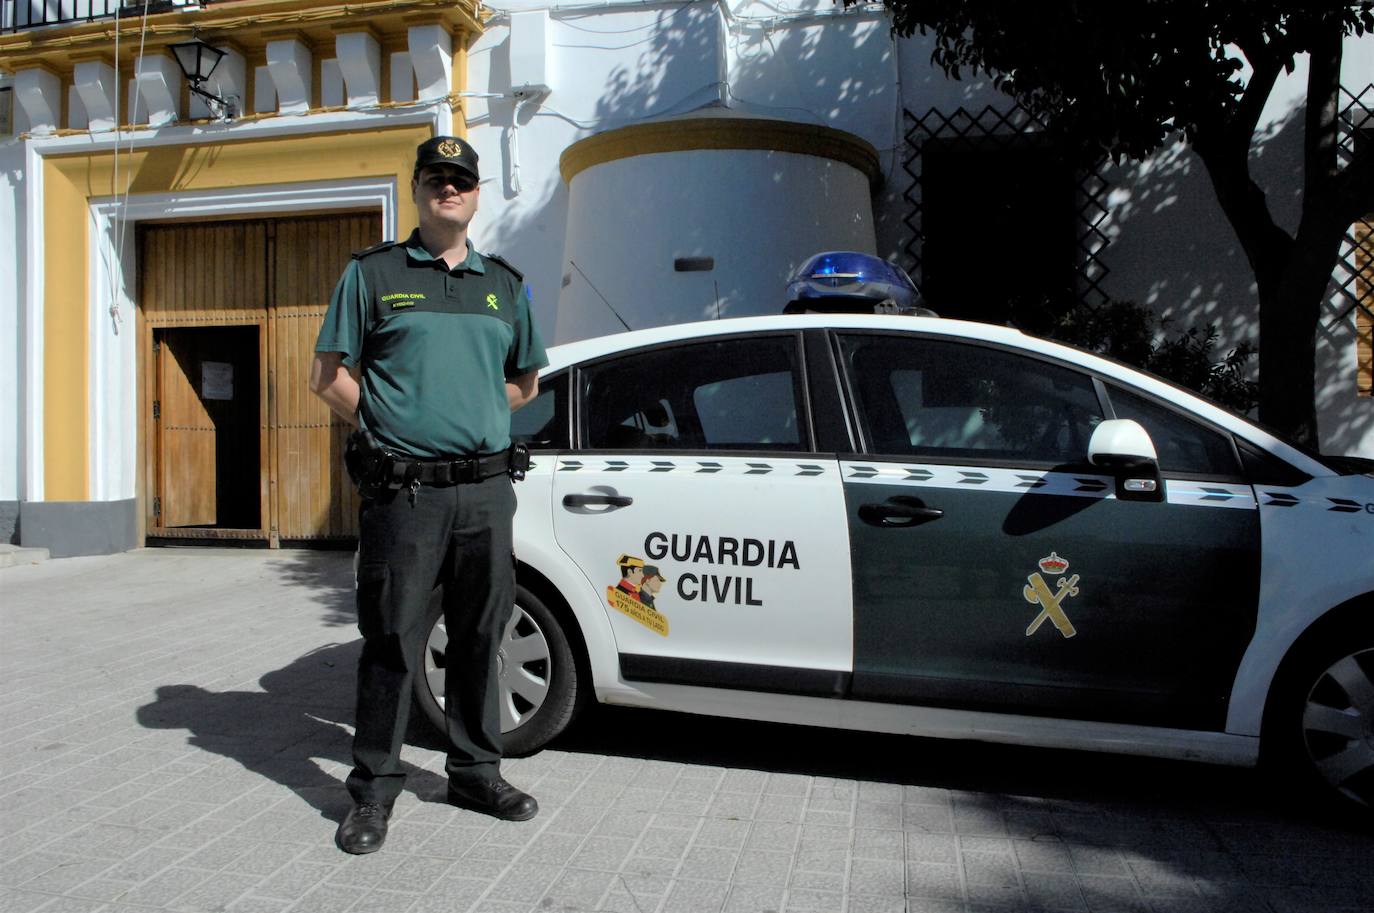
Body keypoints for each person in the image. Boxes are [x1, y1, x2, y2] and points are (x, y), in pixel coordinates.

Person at [309, 135, 548, 855]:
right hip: (405, 494)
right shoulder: (374, 274)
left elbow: (525, 382)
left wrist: (470, 413)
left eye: (462, 180)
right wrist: (391, 425)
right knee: (392, 640)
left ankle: (475, 771)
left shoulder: (505, 284)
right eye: (437, 178)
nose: (450, 189)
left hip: (484, 493)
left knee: (481, 634)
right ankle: (374, 791)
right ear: (417, 189)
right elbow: (328, 376)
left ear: (477, 194)